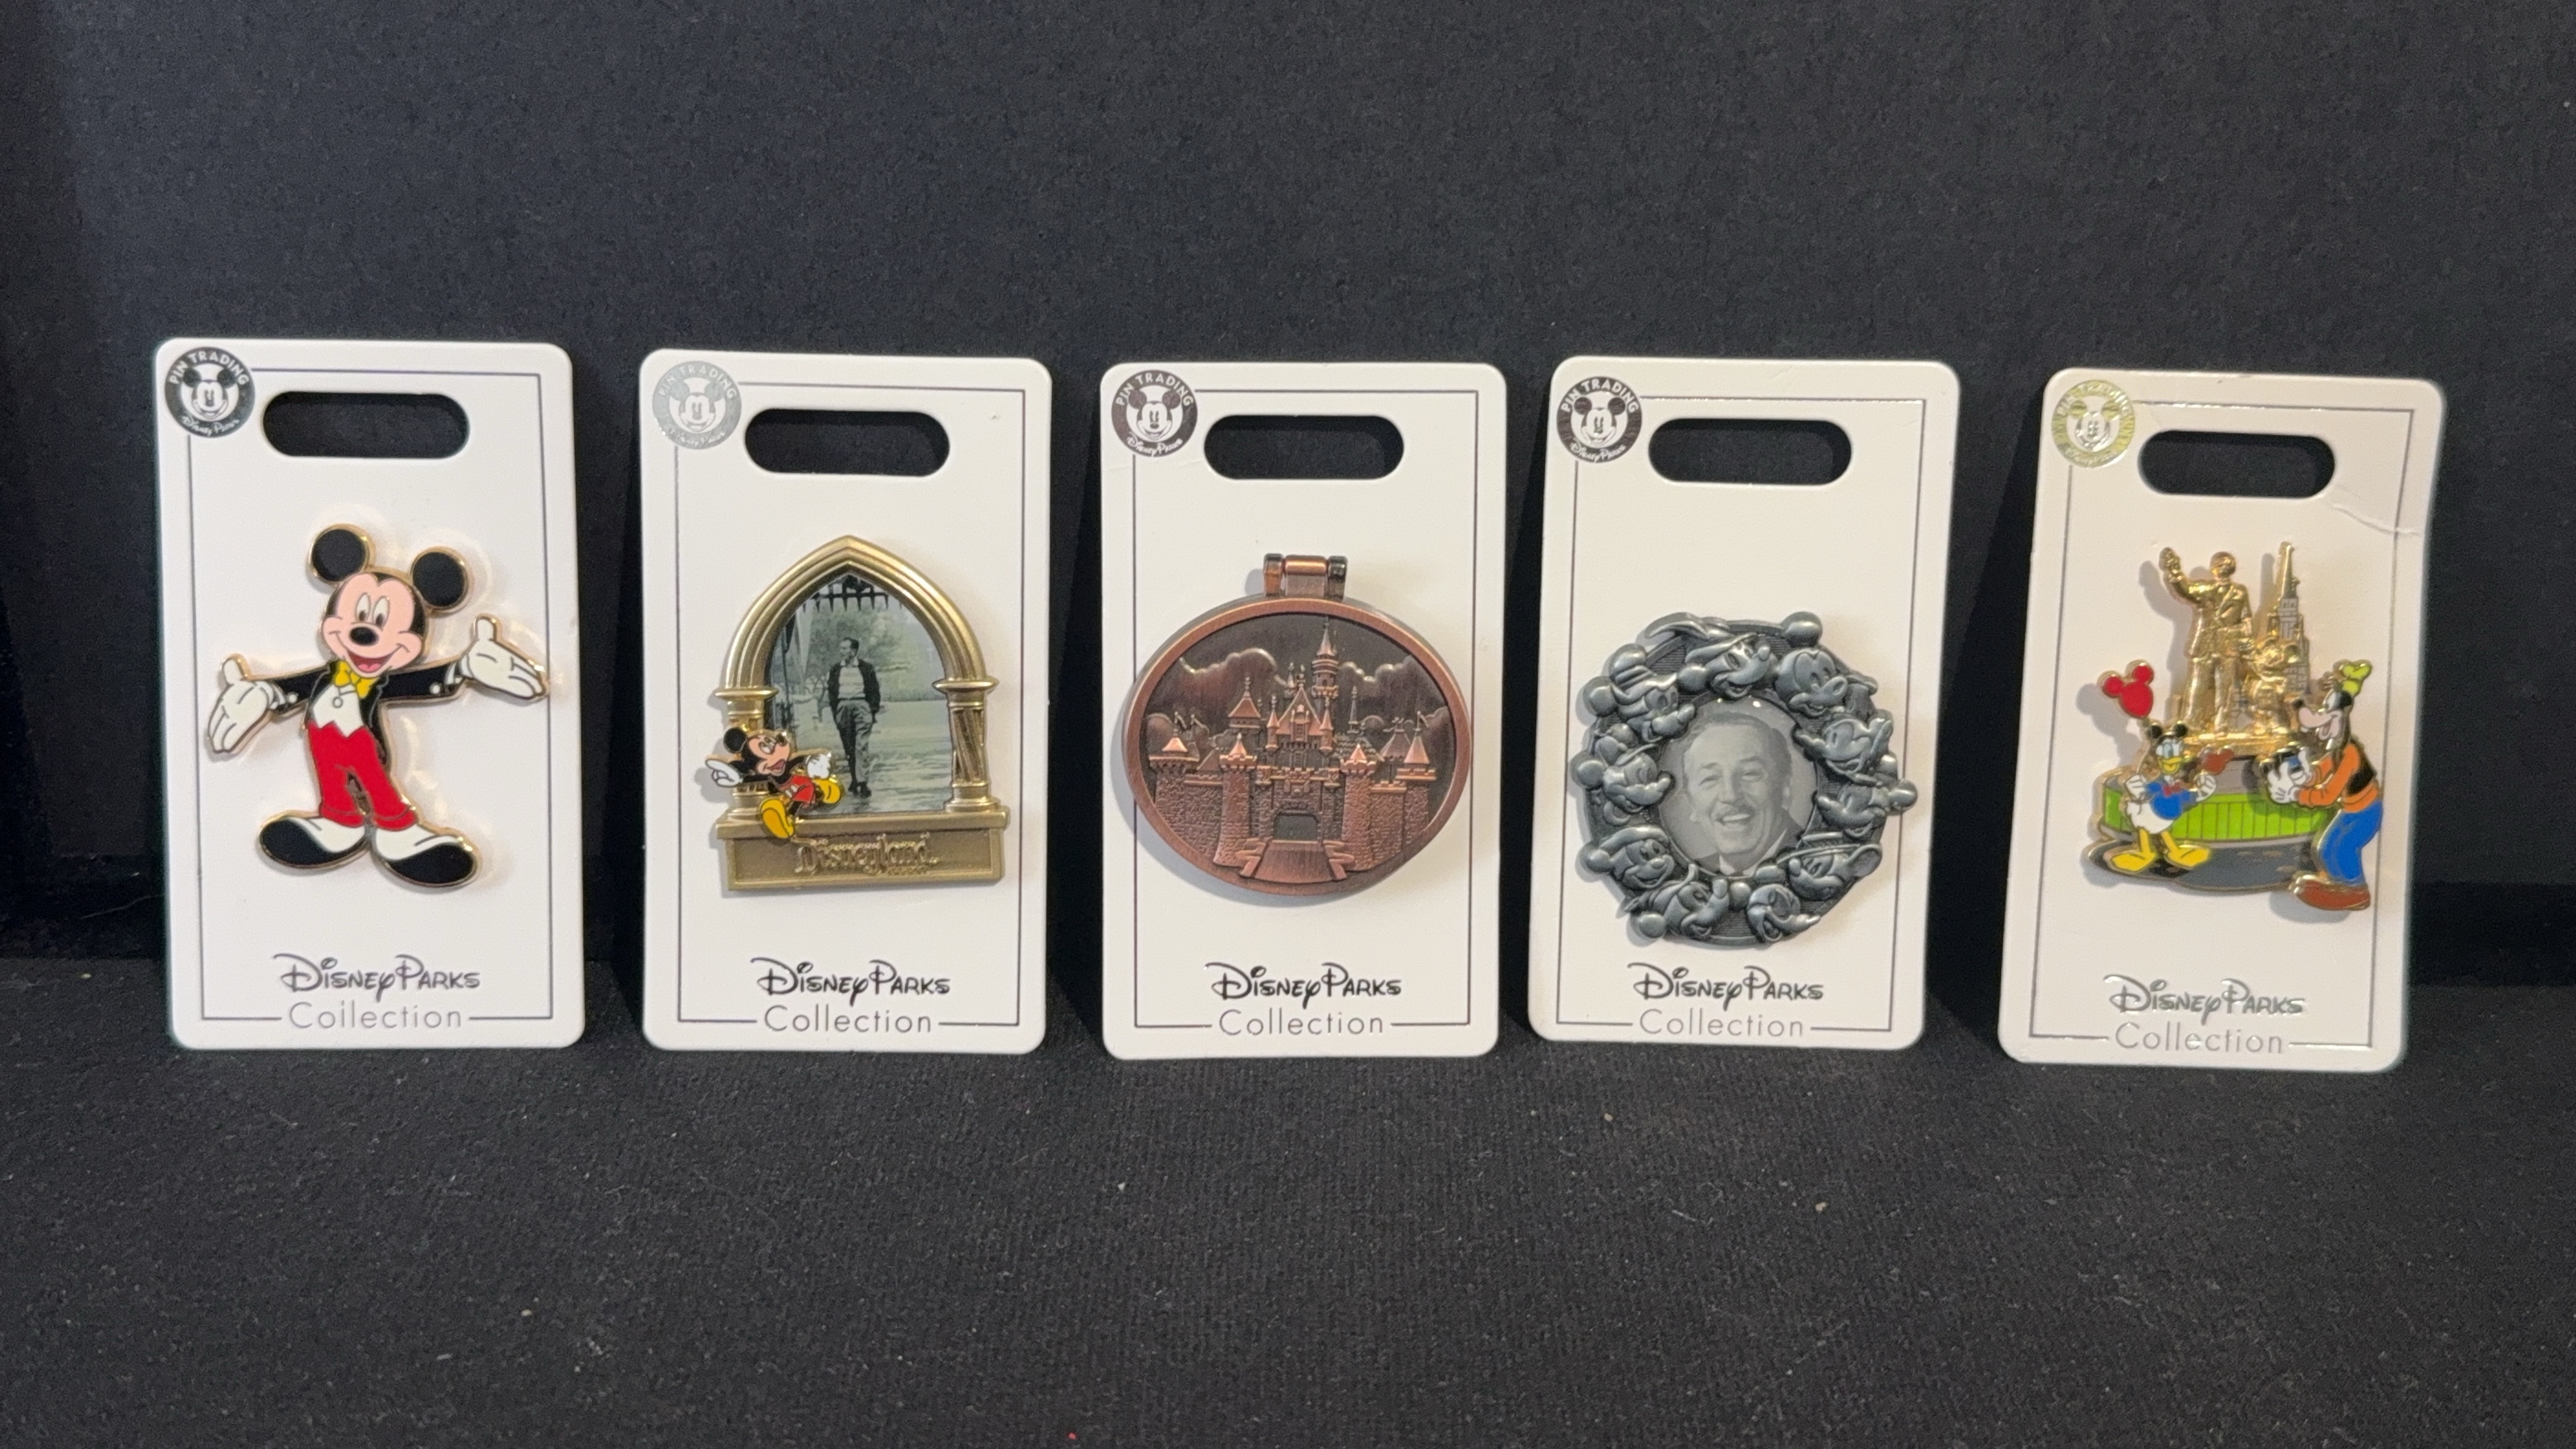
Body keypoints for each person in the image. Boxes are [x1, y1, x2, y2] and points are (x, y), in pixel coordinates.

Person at [1669, 709, 1796, 874]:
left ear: (1785, 788)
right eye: (1710, 778)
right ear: (1691, 802)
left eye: (1749, 774)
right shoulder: (1687, 875)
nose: (1730, 795)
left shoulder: (1818, 857)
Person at [2159, 548, 2253, 734]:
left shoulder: (2240, 592)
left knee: (2226, 687)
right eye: (2221, 564)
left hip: (2228, 646)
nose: (2224, 567)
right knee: (2197, 684)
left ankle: (2223, 723)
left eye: (2228, 564)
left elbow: (2247, 618)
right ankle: (2191, 721)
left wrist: (2242, 635)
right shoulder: (2205, 589)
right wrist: (2173, 571)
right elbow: (2185, 590)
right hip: (2204, 644)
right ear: (2214, 568)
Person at [823, 638, 881, 799]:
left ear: (853, 651)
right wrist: (836, 710)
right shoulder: (836, 669)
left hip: (861, 706)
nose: (841, 652)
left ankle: (862, 783)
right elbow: (832, 692)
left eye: (845, 649)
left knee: (861, 745)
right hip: (843, 707)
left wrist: (871, 710)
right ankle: (855, 779)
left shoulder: (866, 668)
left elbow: (874, 690)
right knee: (849, 746)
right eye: (841, 648)